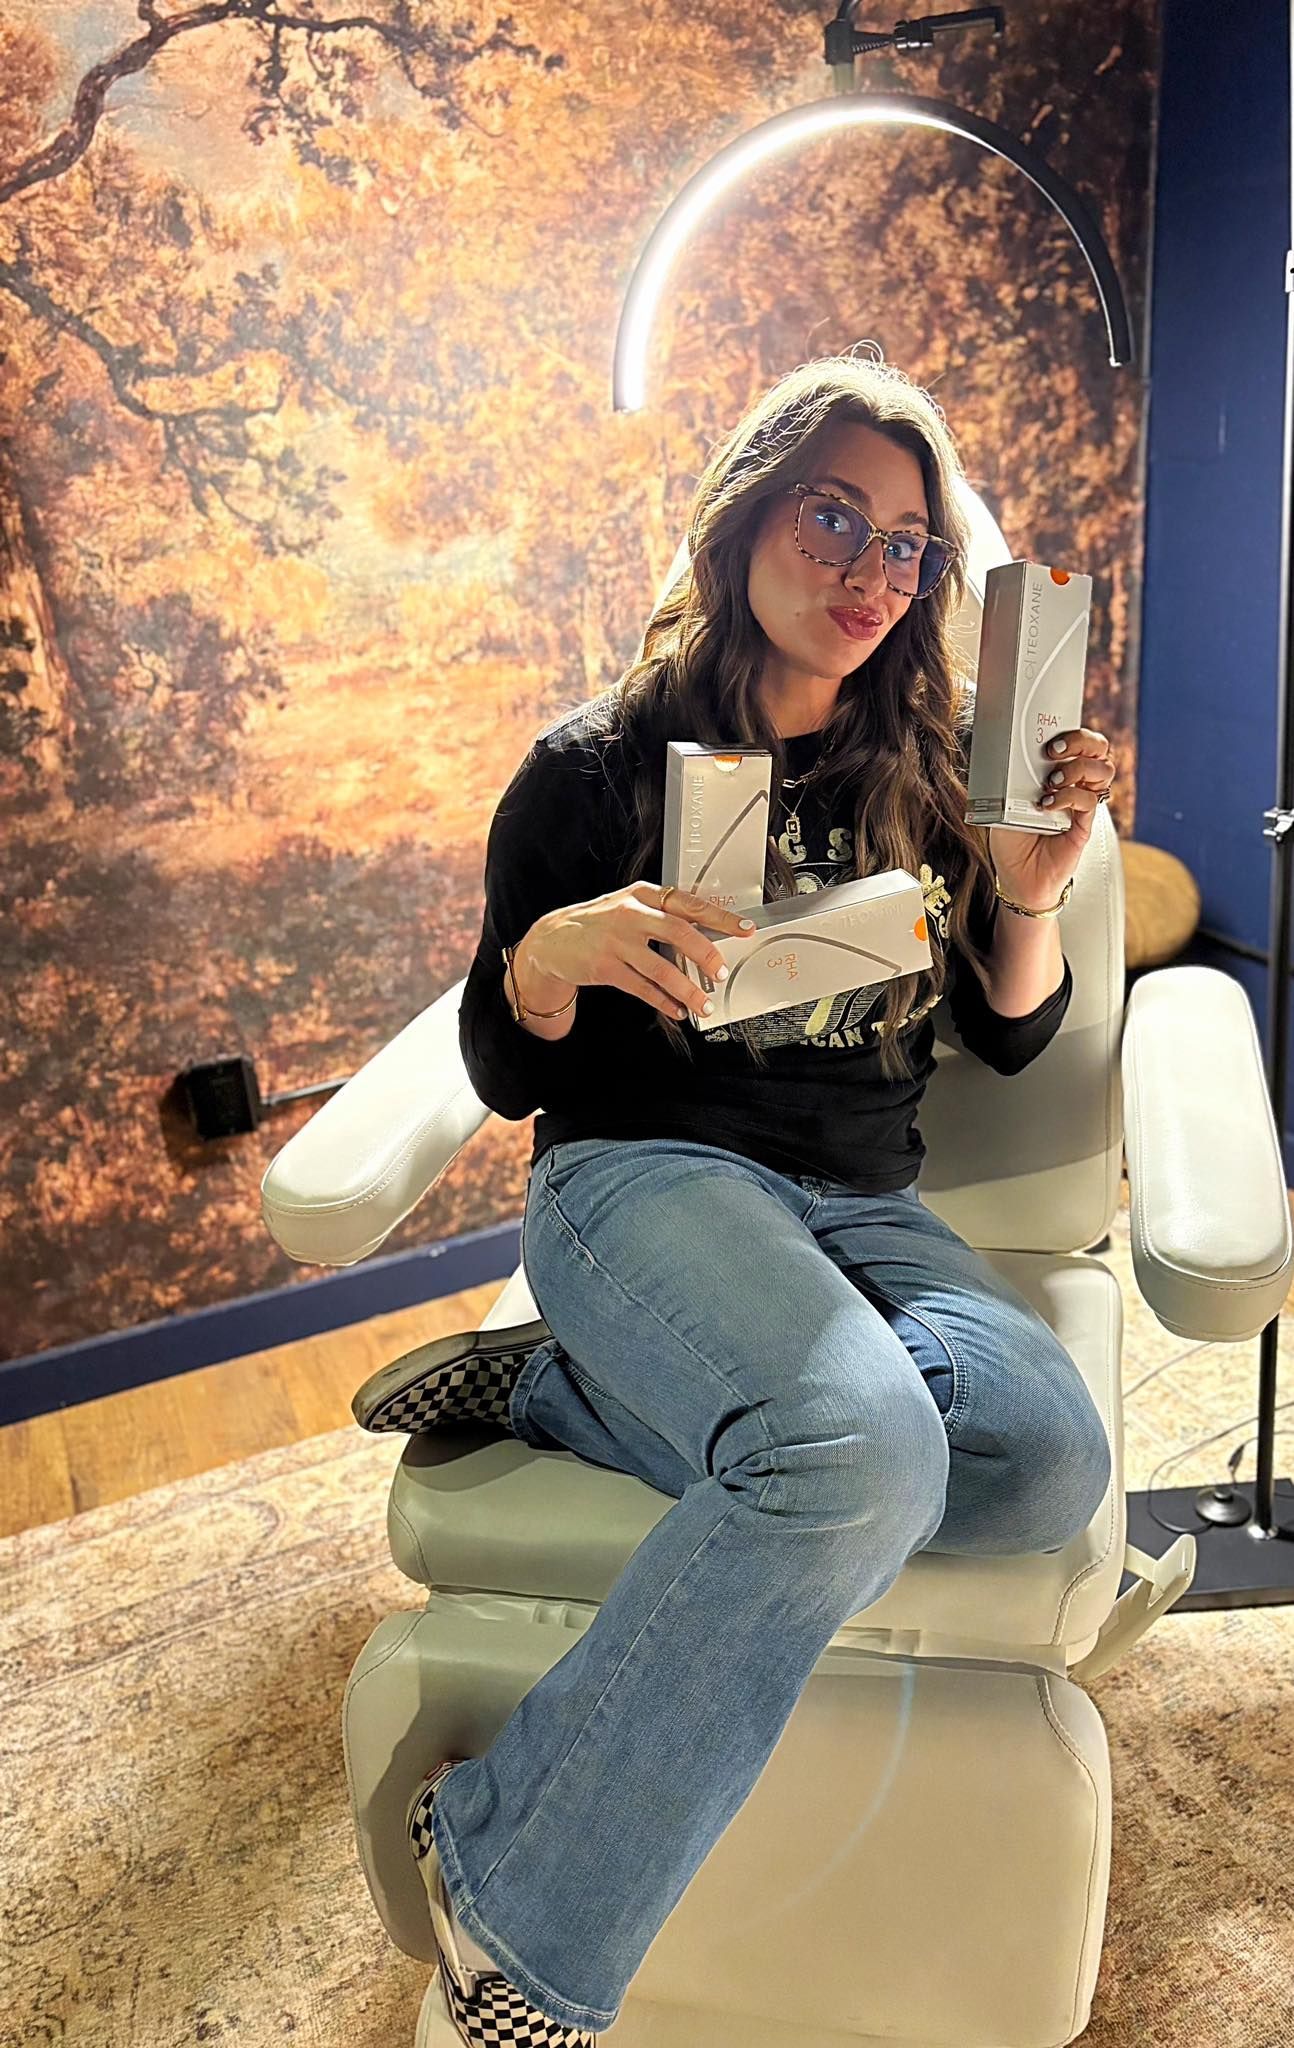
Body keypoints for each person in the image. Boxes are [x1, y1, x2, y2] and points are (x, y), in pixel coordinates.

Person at [375, 349, 1117, 2046]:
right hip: (643, 1178)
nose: (870, 569)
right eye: (831, 516)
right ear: (744, 521)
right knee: (856, 1447)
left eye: (905, 545)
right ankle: (513, 1890)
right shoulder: (587, 773)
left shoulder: (929, 772)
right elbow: (505, 1069)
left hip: (858, 1210)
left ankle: (571, 1389)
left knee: (1043, 1462)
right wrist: (545, 964)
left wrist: (1023, 898)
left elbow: (1008, 1045)